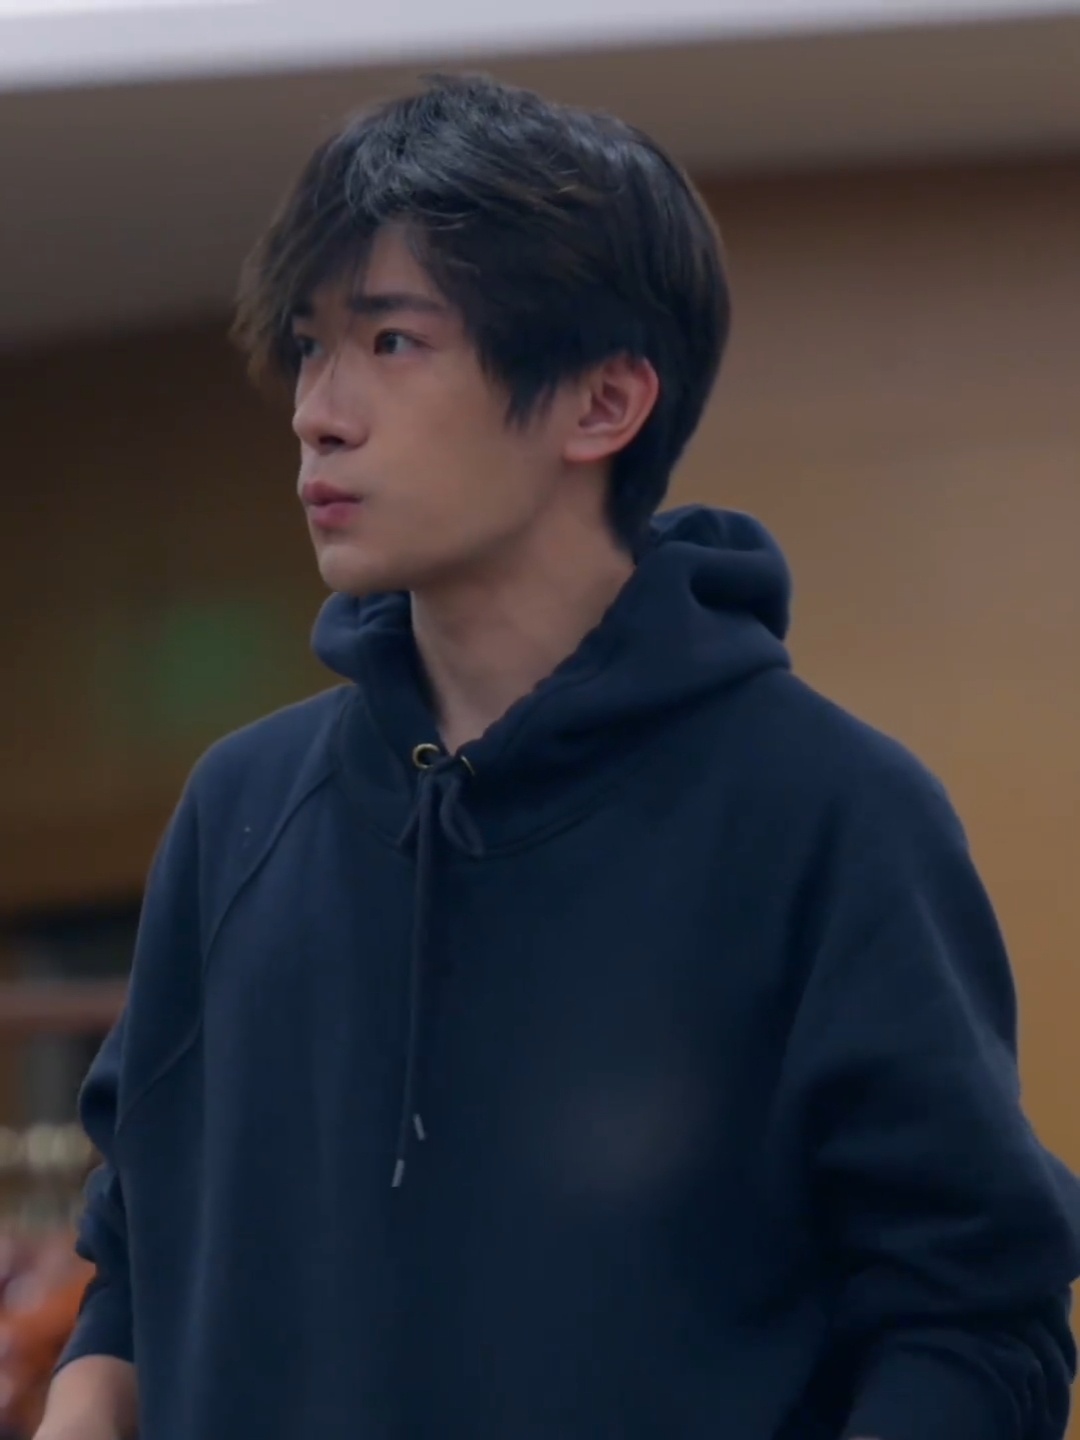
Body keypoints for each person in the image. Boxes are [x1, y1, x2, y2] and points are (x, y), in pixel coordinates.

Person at [36, 73, 1080, 1440]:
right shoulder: (241, 809)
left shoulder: (831, 815)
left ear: (603, 402)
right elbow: (136, 1259)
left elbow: (975, 1324)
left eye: (392, 341)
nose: (317, 411)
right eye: (308, 347)